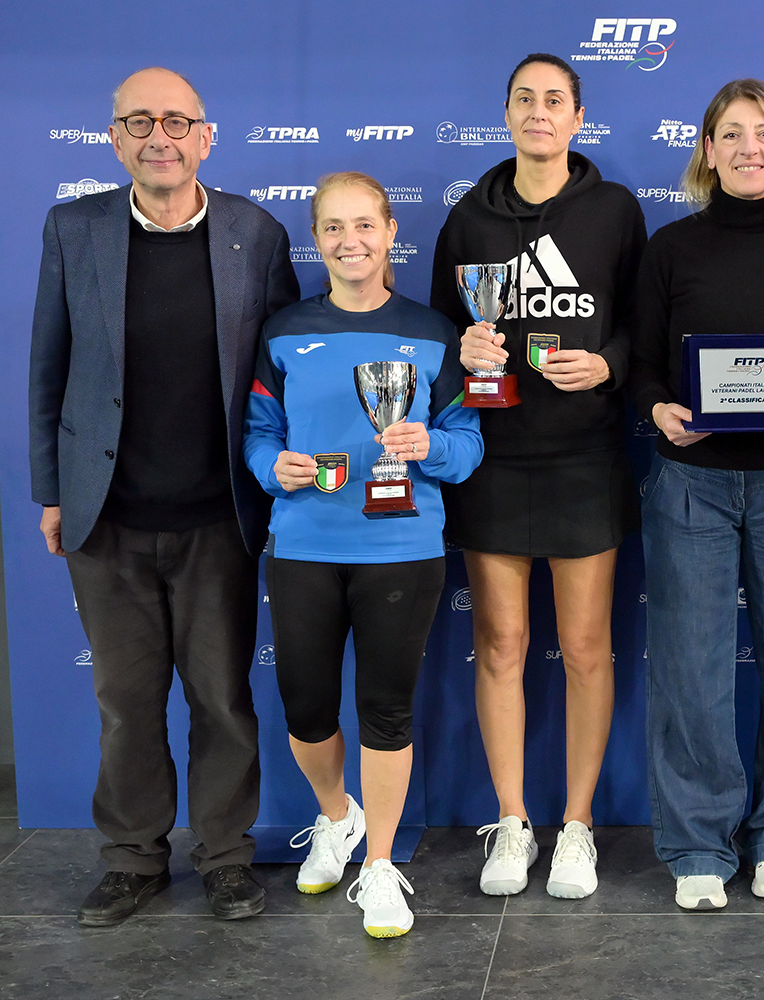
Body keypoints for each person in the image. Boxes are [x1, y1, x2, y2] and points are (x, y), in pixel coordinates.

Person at [28, 67, 300, 926]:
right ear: (114, 139)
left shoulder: (255, 233)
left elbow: (280, 373)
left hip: (218, 513)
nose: (160, 137)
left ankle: (224, 856)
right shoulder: (75, 229)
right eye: (139, 122)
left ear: (205, 137)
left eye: (177, 121)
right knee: (125, 702)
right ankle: (133, 858)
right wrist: (51, 492)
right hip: (104, 516)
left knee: (223, 697)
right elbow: (48, 368)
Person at [629, 78, 764, 911]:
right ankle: (696, 844)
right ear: (708, 150)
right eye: (731, 133)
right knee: (692, 670)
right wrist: (659, 410)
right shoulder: (670, 248)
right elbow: (644, 364)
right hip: (692, 484)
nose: (748, 148)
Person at [428, 53, 646, 899]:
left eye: (555, 100)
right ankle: (514, 823)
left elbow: (641, 327)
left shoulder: (615, 212)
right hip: (493, 458)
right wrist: (465, 349)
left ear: (578, 118)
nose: (539, 113)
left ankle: (579, 827)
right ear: (507, 114)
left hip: (585, 457)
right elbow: (441, 331)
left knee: (588, 648)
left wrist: (609, 366)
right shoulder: (468, 220)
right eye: (524, 99)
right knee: (501, 645)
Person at [244, 173, 482, 937]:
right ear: (318, 238)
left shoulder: (435, 331)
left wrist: (430, 444)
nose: (351, 242)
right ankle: (336, 816)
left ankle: (380, 864)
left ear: (389, 233)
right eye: (334, 228)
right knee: (307, 709)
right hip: (306, 544)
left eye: (365, 226)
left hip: (402, 548)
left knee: (386, 708)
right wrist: (267, 467)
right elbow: (257, 432)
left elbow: (469, 446)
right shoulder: (282, 330)